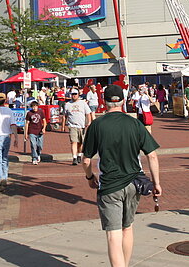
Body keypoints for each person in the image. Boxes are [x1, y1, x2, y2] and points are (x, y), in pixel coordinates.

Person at [82, 85, 161, 267]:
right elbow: (152, 155)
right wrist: (156, 183)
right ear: (123, 101)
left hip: (110, 185)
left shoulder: (97, 125)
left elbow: (86, 160)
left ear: (104, 102)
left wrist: (90, 177)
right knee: (127, 227)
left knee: (113, 234)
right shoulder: (135, 123)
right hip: (134, 183)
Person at [62, 89, 92, 165]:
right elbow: (64, 116)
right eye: (73, 94)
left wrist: (89, 122)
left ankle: (79, 155)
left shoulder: (83, 103)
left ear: (78, 94)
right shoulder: (68, 104)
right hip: (72, 125)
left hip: (81, 126)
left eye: (75, 94)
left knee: (80, 143)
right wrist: (63, 126)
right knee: (74, 142)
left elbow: (88, 113)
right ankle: (74, 158)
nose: (74, 95)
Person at [24, 100, 47, 164]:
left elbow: (44, 121)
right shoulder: (29, 113)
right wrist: (26, 133)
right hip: (32, 131)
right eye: (33, 107)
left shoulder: (41, 112)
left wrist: (44, 128)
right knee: (33, 144)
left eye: (36, 106)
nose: (34, 108)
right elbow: (27, 123)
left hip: (39, 131)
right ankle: (34, 158)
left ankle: (38, 154)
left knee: (40, 145)